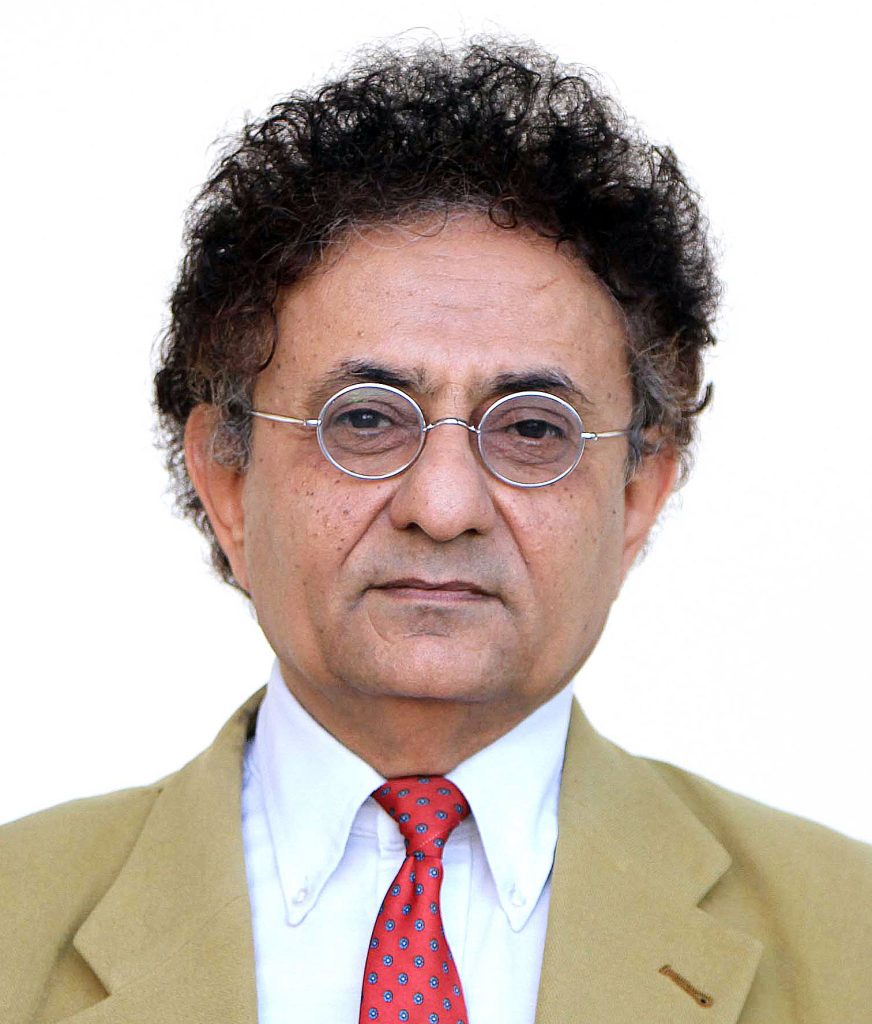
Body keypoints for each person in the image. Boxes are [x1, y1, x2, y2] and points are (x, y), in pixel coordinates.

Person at [2, 38, 869, 1024]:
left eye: (532, 429)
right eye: (367, 419)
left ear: (637, 494)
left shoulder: (851, 936)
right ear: (227, 479)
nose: (444, 505)